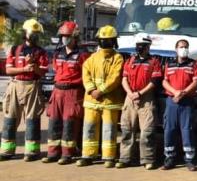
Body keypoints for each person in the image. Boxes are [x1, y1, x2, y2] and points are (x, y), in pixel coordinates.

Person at [1, 19, 49, 161]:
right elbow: (8, 70)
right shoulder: (15, 49)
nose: (35, 36)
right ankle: (7, 150)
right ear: (25, 33)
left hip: (32, 86)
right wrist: (23, 68)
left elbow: (42, 72)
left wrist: (33, 65)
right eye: (32, 33)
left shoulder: (41, 52)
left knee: (32, 119)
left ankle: (32, 152)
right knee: (10, 118)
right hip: (15, 85)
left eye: (37, 34)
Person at [78, 26, 124, 168]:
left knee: (109, 130)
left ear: (114, 41)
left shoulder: (118, 58)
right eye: (103, 40)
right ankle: (88, 155)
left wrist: (100, 91)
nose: (105, 43)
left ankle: (109, 156)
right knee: (89, 128)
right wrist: (92, 90)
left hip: (110, 101)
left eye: (108, 40)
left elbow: (115, 78)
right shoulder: (92, 58)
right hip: (92, 101)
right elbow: (86, 74)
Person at [44, 21, 89, 164]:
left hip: (73, 92)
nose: (64, 38)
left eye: (67, 36)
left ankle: (67, 154)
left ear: (75, 37)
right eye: (63, 36)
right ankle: (52, 153)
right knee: (54, 121)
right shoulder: (58, 53)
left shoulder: (83, 55)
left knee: (70, 122)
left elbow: (86, 74)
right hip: (57, 91)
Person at [118, 33, 162, 170]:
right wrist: (130, 93)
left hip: (146, 99)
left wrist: (139, 93)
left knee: (147, 132)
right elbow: (124, 79)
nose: (140, 48)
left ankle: (147, 159)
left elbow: (154, 82)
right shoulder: (130, 61)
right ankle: (124, 158)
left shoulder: (154, 62)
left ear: (148, 46)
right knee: (126, 130)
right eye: (138, 45)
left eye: (142, 46)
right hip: (130, 98)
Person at [161, 39, 197, 171]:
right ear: (176, 49)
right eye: (181, 47)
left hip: (187, 101)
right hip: (172, 101)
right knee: (169, 130)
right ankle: (169, 159)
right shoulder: (169, 64)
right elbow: (164, 81)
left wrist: (183, 93)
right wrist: (175, 93)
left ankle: (189, 160)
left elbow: (196, 82)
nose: (183, 49)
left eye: (185, 47)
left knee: (187, 130)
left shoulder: (194, 64)